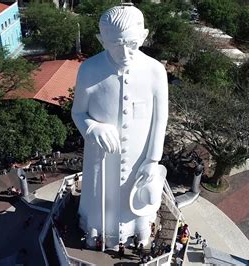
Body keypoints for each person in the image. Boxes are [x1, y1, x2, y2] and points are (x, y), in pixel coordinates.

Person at [72, 4, 168, 249]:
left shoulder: (156, 71)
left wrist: (153, 159)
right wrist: (92, 128)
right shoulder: (89, 69)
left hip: (139, 157)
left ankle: (140, 232)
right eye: (116, 45)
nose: (125, 53)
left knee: (135, 202)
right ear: (101, 40)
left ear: (144, 36)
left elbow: (160, 119)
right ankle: (96, 234)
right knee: (100, 200)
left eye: (132, 44)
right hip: (100, 158)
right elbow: (78, 112)